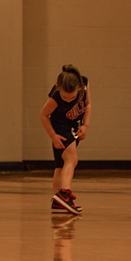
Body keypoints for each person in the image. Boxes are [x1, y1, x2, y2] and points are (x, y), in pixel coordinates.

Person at [39, 64, 91, 215]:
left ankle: (58, 202)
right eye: (64, 97)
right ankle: (65, 193)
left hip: (75, 126)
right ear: (58, 88)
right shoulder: (55, 96)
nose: (68, 100)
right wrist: (53, 135)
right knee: (72, 159)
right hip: (60, 128)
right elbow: (43, 115)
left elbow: (88, 104)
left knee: (60, 166)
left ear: (79, 88)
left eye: (72, 97)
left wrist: (86, 125)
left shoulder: (85, 83)